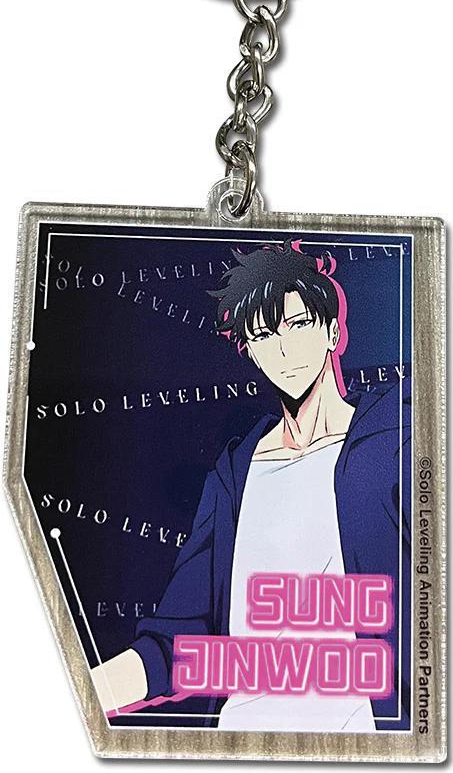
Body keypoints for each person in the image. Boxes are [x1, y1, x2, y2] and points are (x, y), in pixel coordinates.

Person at [92, 239, 411, 731]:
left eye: (298, 324)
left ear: (332, 331)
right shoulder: (235, 475)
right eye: (263, 335)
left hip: (360, 742)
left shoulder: (394, 438)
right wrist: (74, 693)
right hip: (242, 739)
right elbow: (176, 643)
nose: (283, 349)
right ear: (251, 353)